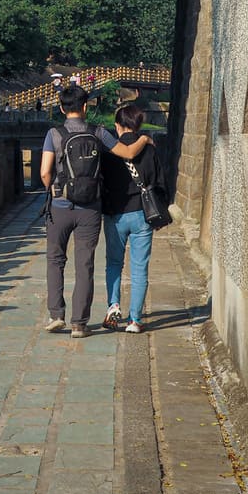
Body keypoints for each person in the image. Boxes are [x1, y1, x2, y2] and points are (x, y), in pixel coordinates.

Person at [40, 86, 151, 338]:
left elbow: (45, 172)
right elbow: (128, 152)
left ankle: (57, 315)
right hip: (90, 208)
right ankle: (79, 324)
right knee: (85, 264)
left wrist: (55, 191)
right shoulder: (98, 132)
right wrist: (145, 139)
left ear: (61, 108)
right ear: (85, 106)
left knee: (55, 260)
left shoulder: (53, 134)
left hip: (59, 207)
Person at [101, 103, 165, 334]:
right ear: (138, 124)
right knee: (139, 268)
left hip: (115, 213)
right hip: (142, 214)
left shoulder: (109, 149)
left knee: (114, 263)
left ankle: (113, 306)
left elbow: (101, 181)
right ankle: (135, 320)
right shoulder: (149, 148)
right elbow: (159, 181)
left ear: (117, 125)